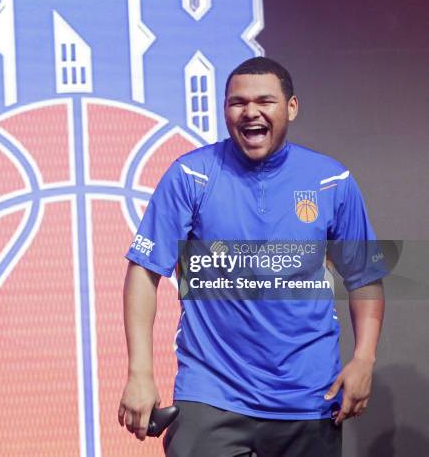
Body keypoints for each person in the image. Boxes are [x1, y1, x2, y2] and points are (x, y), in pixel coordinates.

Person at [118, 57, 387, 457]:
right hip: (210, 393)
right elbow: (144, 271)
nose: (250, 112)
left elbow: (364, 277)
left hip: (308, 397)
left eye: (265, 101)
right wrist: (139, 371)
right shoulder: (191, 176)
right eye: (237, 102)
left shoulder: (331, 180)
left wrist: (364, 359)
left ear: (291, 108)